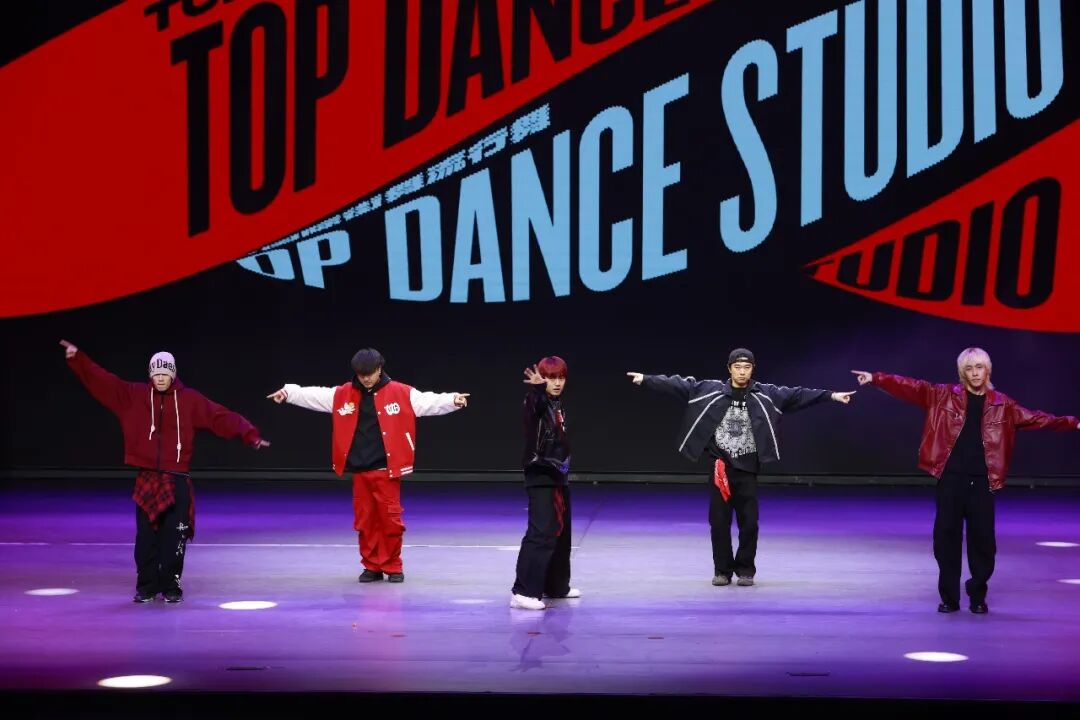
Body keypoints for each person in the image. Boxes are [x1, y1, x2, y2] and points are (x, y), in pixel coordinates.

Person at [852, 347, 1079, 614]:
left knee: (983, 543)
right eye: (969, 368)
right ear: (962, 372)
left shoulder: (1003, 404)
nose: (975, 373)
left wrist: (1073, 423)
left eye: (979, 367)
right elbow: (910, 387)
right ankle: (949, 598)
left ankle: (977, 595)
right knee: (945, 540)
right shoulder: (942, 395)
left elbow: (1038, 418)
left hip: (983, 482)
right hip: (950, 479)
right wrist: (876, 378)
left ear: (988, 370)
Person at [62, 339, 269, 603]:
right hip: (148, 478)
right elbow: (102, 381)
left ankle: (171, 585)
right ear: (150, 375)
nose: (160, 378)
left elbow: (220, 416)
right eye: (156, 373)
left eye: (165, 373)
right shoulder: (134, 396)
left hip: (177, 478)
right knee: (146, 540)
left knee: (175, 537)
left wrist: (249, 434)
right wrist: (78, 359)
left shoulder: (189, 400)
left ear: (173, 374)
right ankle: (146, 586)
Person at [628, 348, 855, 586]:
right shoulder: (710, 390)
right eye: (737, 367)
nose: (742, 372)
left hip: (748, 470)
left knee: (749, 524)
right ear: (729, 369)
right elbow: (679, 385)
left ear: (752, 369)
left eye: (747, 367)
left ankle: (745, 570)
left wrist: (832, 396)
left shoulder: (766, 394)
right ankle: (722, 571)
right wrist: (646, 379)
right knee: (719, 523)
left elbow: (798, 395)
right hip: (720, 469)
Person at [268, 348, 468, 583]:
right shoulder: (343, 394)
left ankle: (393, 566)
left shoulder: (400, 392)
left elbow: (428, 401)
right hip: (360, 471)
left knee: (391, 522)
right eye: (361, 374)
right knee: (365, 522)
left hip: (386, 471)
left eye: (370, 373)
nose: (365, 378)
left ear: (379, 369)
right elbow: (314, 395)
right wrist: (289, 393)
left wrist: (452, 399)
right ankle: (372, 566)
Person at [511, 357, 580, 610]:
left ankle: (556, 586)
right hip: (541, 473)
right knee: (541, 532)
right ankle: (523, 592)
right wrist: (538, 388)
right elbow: (535, 405)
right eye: (551, 378)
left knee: (561, 534)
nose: (557, 383)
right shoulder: (536, 401)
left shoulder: (556, 404)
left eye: (561, 378)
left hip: (558, 474)